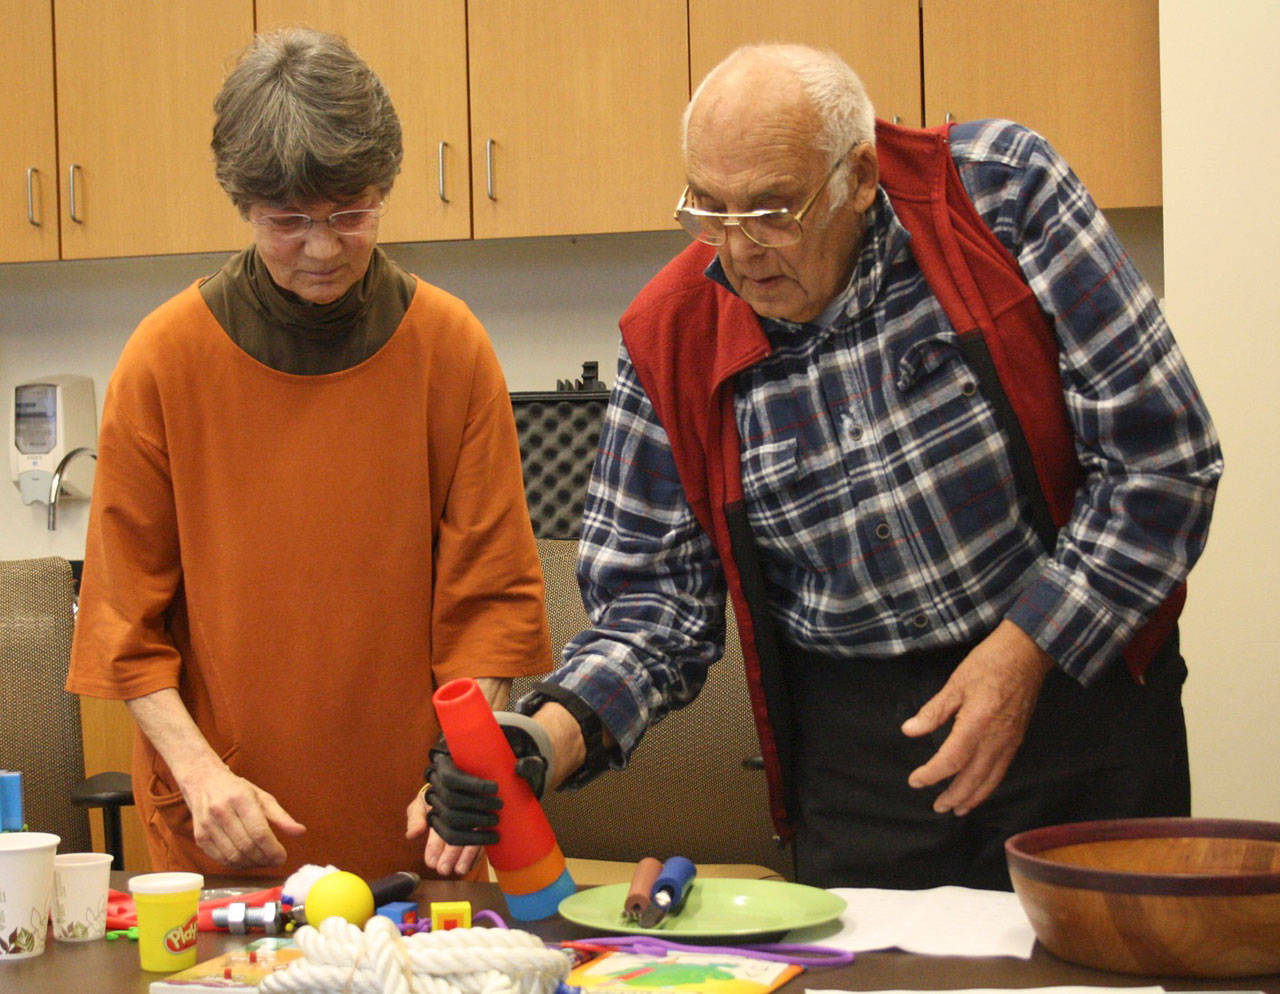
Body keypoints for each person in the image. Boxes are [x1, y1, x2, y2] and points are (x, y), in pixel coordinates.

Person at [423, 44, 1223, 890]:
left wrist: (1027, 650)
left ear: (861, 177)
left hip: (1076, 691)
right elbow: (654, 608)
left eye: (772, 209)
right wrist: (547, 736)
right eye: (709, 208)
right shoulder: (671, 337)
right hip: (864, 761)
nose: (738, 249)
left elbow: (1161, 459)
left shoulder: (999, 196)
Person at [66, 27, 550, 880]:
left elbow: (492, 602)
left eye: (351, 214)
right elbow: (124, 623)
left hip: (418, 824)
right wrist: (199, 771)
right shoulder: (164, 359)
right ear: (243, 204)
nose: (323, 248)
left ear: (386, 192)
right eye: (288, 221)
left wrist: (469, 763)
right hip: (226, 823)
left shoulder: (450, 349)